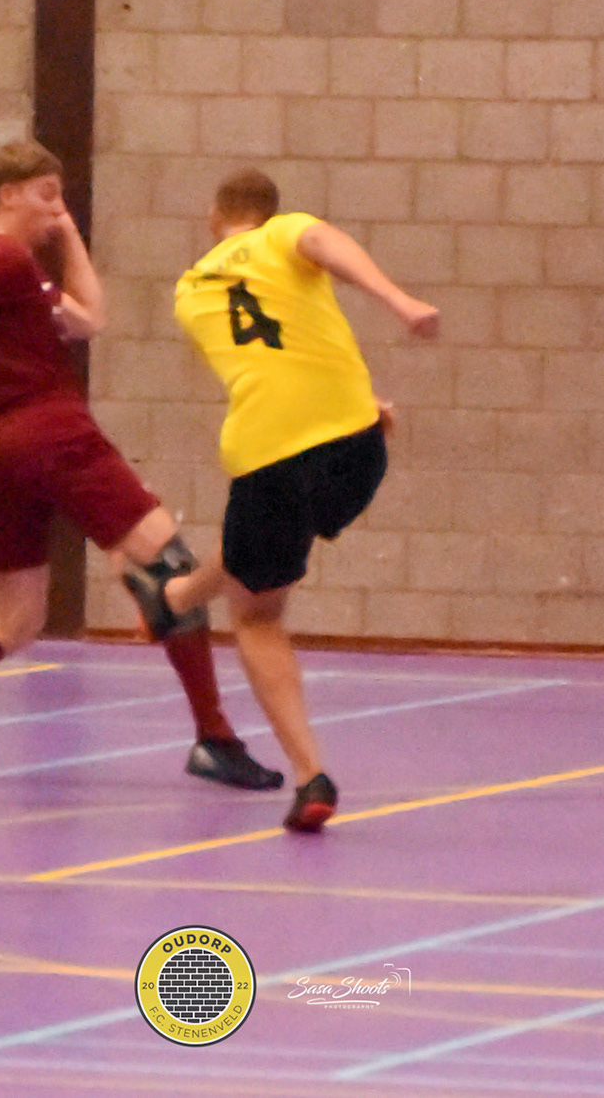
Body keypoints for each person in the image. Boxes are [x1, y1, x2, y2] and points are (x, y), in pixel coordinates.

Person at [0, 140, 280, 792]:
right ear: (7, 194)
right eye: (46, 194)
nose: (56, 208)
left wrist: (67, 229)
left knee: (18, 619)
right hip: (49, 429)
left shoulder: (18, 272)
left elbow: (91, 318)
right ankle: (214, 736)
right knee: (171, 566)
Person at [127, 169, 439, 833]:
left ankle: (310, 776)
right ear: (270, 212)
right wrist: (398, 300)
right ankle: (174, 597)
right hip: (355, 445)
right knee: (257, 556)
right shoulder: (287, 233)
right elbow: (324, 249)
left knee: (258, 614)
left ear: (215, 216)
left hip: (268, 451)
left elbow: (269, 358)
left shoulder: (189, 288)